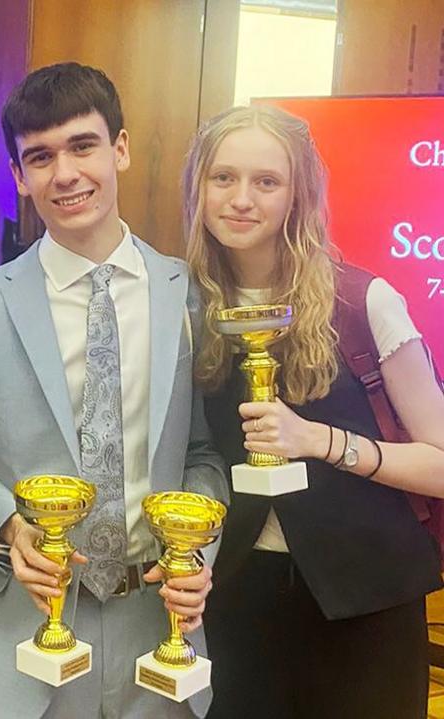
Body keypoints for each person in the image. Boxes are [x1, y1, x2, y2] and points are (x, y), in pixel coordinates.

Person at [0, 62, 229, 719]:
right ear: (18, 175)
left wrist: (196, 548)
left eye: (82, 146)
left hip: (157, 629)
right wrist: (7, 522)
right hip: (24, 627)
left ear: (120, 148)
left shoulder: (190, 296)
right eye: (40, 156)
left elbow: (205, 455)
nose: (64, 173)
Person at [183, 104, 444, 719]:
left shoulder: (362, 301)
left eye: (266, 181)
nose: (241, 199)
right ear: (198, 186)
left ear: (298, 193)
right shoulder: (182, 307)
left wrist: (323, 440)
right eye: (223, 178)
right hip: (233, 602)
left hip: (367, 605)